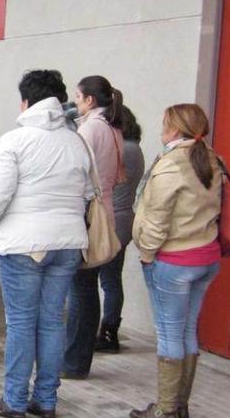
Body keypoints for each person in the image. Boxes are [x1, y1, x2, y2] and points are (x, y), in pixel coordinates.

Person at [0, 70, 92, 418]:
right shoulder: (77, 142)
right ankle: (46, 401)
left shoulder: (14, 141)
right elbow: (88, 194)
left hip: (23, 246)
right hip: (68, 244)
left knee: (22, 323)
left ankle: (14, 400)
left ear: (26, 102)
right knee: (52, 322)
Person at [130, 104, 221, 418]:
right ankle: (179, 405)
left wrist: (146, 254)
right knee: (187, 331)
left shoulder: (171, 164)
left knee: (170, 333)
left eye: (165, 124)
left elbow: (156, 218)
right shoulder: (212, 158)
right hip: (207, 256)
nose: (161, 129)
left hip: (174, 261)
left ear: (175, 129)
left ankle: (166, 409)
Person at [62, 75, 125, 380]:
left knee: (81, 291)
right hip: (105, 215)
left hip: (88, 218)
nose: (74, 103)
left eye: (77, 97)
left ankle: (73, 360)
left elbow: (76, 172)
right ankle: (77, 358)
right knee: (87, 290)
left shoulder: (90, 128)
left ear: (89, 100)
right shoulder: (113, 129)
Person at [95, 105, 145, 353]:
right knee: (112, 279)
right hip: (125, 219)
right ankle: (110, 331)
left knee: (93, 281)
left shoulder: (122, 149)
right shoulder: (135, 147)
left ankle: (101, 332)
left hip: (109, 219)